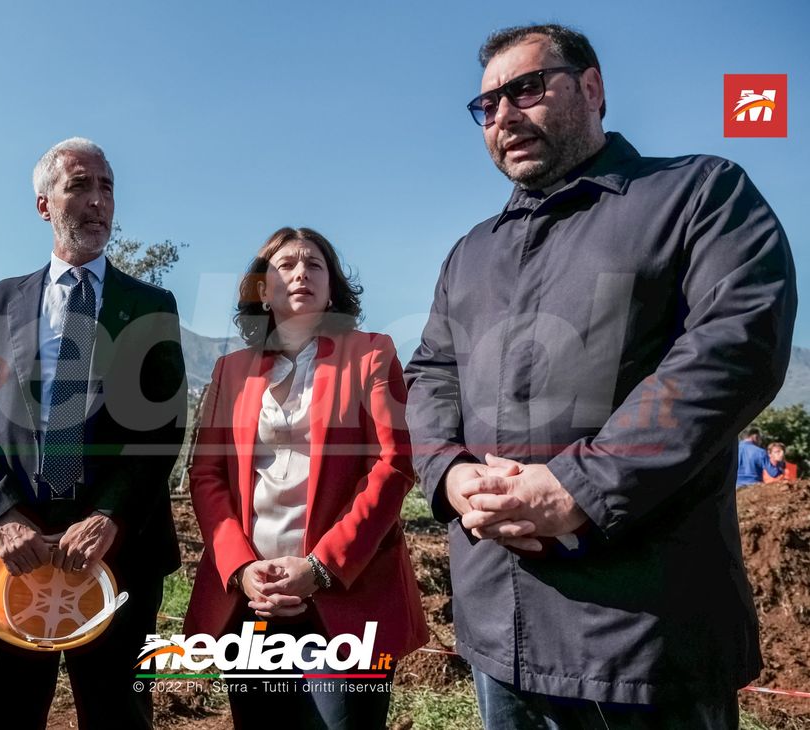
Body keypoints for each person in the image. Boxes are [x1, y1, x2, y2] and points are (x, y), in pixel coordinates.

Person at [404, 23, 796, 729]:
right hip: (496, 621)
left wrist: (580, 486)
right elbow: (431, 374)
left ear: (591, 87)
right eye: (486, 105)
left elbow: (735, 345)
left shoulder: (698, 195)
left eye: (526, 89)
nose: (503, 116)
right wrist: (449, 474)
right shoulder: (470, 254)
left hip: (642, 631)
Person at [0, 137, 187, 730]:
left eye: (107, 187)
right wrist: (2, 516)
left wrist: (109, 515)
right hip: (12, 559)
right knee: (5, 717)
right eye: (80, 186)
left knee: (118, 719)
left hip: (118, 555)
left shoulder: (152, 305)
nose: (98, 201)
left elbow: (162, 430)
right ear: (43, 205)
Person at [185, 226, 429, 729]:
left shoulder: (371, 353)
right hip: (253, 596)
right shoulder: (231, 370)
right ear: (262, 289)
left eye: (314, 264)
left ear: (332, 287)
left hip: (346, 593)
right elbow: (207, 474)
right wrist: (240, 568)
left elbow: (392, 463)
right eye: (286, 265)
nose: (301, 273)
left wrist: (320, 568)